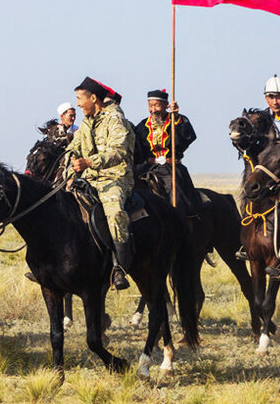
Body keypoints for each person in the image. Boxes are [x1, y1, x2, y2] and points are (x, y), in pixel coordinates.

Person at [65, 76, 133, 291]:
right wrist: (70, 165)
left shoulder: (116, 120)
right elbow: (73, 148)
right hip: (88, 178)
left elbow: (119, 151)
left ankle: (119, 267)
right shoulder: (86, 123)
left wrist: (89, 162)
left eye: (79, 99)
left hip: (114, 177)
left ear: (93, 98)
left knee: (113, 212)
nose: (77, 104)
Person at [132, 89, 200, 216]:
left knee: (175, 194)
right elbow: (137, 149)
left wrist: (177, 117)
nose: (153, 110)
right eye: (150, 106)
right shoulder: (142, 125)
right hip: (148, 167)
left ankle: (180, 221)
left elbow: (187, 137)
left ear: (166, 105)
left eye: (157, 105)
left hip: (170, 167)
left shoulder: (176, 120)